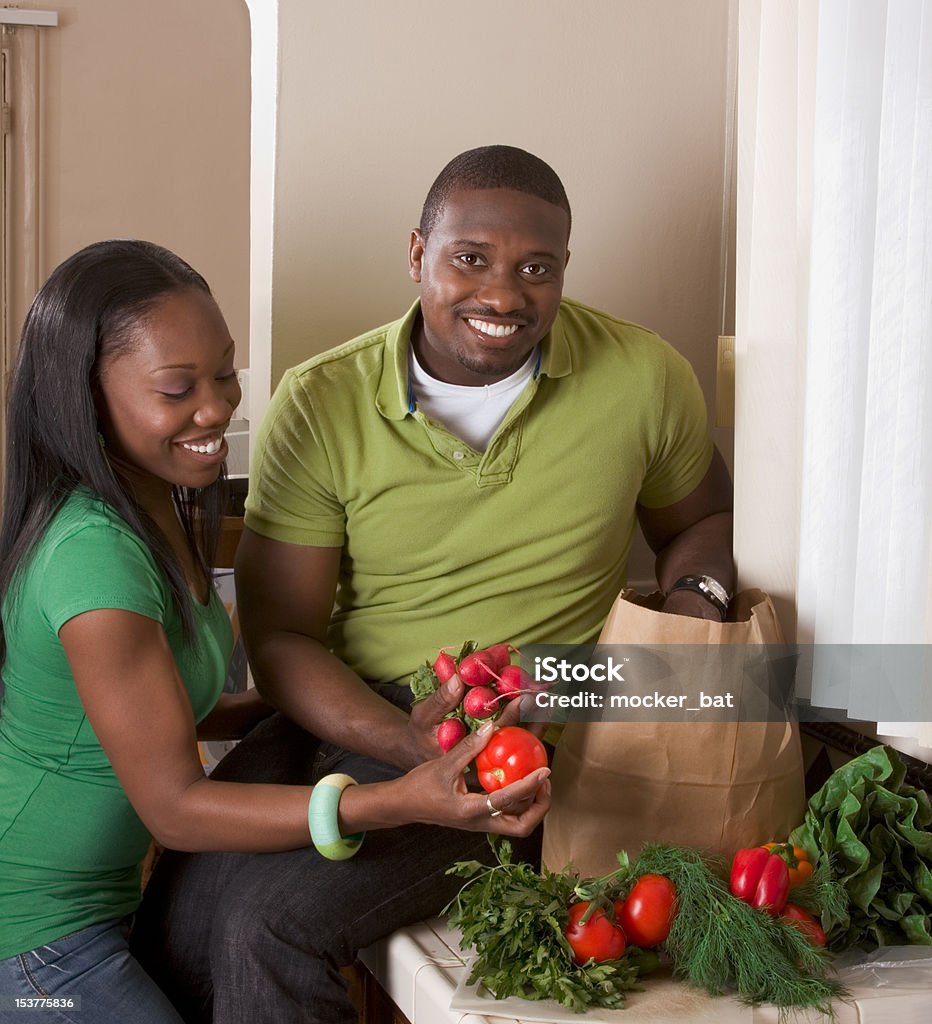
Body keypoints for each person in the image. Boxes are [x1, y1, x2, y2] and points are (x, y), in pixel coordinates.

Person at [131, 145, 735, 1024]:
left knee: (268, 929)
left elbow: (702, 526)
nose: (502, 294)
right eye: (471, 259)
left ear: (564, 271)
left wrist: (687, 626)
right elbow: (284, 636)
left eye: (537, 268)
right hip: (349, 712)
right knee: (175, 926)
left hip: (530, 739)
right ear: (418, 254)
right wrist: (405, 742)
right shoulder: (324, 399)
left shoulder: (645, 377)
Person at [0, 240, 550, 1024]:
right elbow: (176, 809)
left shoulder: (154, 500)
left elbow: (146, 718)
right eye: (177, 389)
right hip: (32, 950)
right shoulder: (93, 559)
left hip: (92, 921)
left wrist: (321, 714)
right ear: (89, 400)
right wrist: (390, 801)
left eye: (224, 373)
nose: (218, 407)